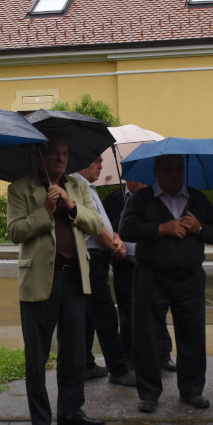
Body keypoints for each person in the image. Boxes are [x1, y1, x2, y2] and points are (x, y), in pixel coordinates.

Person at [6, 135, 110, 425]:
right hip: (39, 280)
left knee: (74, 350)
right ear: (40, 155)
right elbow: (14, 232)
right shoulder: (20, 188)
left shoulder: (77, 186)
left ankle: (71, 411)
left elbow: (94, 223)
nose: (60, 159)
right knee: (37, 354)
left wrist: (70, 205)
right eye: (54, 154)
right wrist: (46, 213)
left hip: (74, 277)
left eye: (64, 154)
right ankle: (41, 420)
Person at [119, 154, 213, 413]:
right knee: (147, 336)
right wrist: (161, 229)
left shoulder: (197, 199)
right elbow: (126, 229)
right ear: (156, 171)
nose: (175, 173)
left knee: (192, 334)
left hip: (190, 278)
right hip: (151, 277)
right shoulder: (142, 199)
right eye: (168, 168)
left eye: (179, 168)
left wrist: (199, 228)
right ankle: (149, 394)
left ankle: (191, 391)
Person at [71, 154, 135, 386]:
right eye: (96, 160)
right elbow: (92, 225)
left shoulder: (89, 187)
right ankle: (118, 369)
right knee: (106, 314)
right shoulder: (76, 185)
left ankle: (86, 363)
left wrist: (115, 237)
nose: (101, 164)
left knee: (90, 314)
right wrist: (113, 246)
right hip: (89, 257)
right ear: (81, 162)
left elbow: (104, 222)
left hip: (98, 255)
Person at [103, 179, 175, 373]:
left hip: (151, 263)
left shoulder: (153, 198)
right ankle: (130, 358)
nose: (139, 181)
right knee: (127, 313)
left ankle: (163, 355)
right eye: (134, 177)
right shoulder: (112, 199)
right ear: (126, 176)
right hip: (124, 264)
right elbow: (106, 226)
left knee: (157, 310)